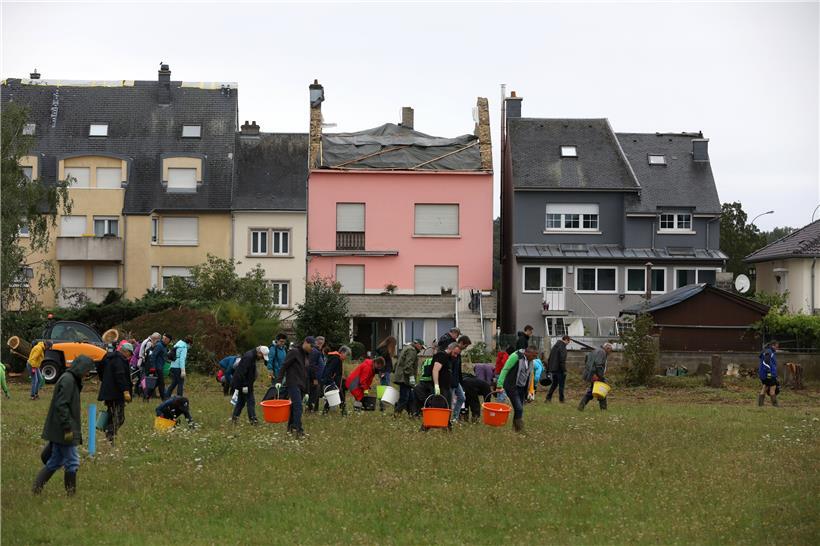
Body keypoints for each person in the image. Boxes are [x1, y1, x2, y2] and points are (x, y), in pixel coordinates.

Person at [32, 355, 94, 496]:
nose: (88, 373)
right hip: (63, 429)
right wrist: (67, 427)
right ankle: (71, 496)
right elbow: (62, 405)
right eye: (87, 370)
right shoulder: (68, 380)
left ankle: (36, 488)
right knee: (72, 462)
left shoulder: (71, 379)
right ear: (81, 368)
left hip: (61, 427)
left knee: (55, 461)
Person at [97, 342, 133, 443]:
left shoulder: (108, 356)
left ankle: (108, 433)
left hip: (108, 392)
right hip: (116, 393)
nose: (129, 357)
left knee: (111, 413)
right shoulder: (119, 360)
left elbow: (99, 368)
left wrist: (105, 380)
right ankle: (110, 434)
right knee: (119, 417)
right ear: (125, 351)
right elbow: (120, 376)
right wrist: (125, 391)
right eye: (130, 354)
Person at [276, 337, 313, 437]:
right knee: (298, 407)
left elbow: (307, 375)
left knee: (294, 408)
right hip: (293, 383)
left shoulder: (307, 356)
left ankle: (290, 428)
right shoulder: (294, 352)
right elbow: (284, 366)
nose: (312, 348)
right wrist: (279, 380)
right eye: (311, 346)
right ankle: (299, 430)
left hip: (301, 385)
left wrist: (307, 392)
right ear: (305, 342)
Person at [497, 345, 537, 432]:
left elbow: (531, 375)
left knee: (519, 409)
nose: (534, 358)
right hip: (512, 386)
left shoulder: (531, 361)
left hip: (522, 387)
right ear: (527, 353)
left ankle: (515, 429)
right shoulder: (515, 356)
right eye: (533, 355)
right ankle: (519, 429)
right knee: (519, 408)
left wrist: (531, 391)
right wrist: (499, 384)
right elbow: (505, 369)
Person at [231, 346, 269, 425]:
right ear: (259, 353)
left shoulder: (252, 356)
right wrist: (244, 385)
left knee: (241, 402)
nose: (262, 358)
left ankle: (234, 419)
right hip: (243, 383)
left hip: (245, 383)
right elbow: (241, 372)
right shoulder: (249, 357)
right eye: (262, 356)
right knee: (251, 401)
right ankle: (253, 421)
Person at [578, 343, 613, 412]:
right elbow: (598, 364)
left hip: (593, 374)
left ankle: (581, 406)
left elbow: (587, 358)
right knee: (602, 390)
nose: (610, 352)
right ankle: (603, 409)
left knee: (591, 392)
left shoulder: (596, 350)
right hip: (596, 375)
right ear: (607, 348)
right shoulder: (602, 352)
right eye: (610, 350)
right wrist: (599, 376)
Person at [393, 339, 425, 416]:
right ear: (418, 344)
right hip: (404, 378)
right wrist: (411, 377)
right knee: (404, 398)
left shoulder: (407, 348)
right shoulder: (412, 350)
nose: (421, 349)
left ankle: (412, 414)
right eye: (421, 347)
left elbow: (397, 363)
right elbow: (408, 366)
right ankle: (396, 414)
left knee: (411, 398)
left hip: (402, 376)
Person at [321, 345, 351, 415]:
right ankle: (344, 413)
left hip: (336, 382)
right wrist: (331, 382)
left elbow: (337, 371)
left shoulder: (337, 359)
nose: (346, 358)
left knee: (332, 397)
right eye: (346, 355)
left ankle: (325, 412)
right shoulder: (336, 359)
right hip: (333, 382)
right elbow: (329, 371)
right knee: (341, 397)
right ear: (342, 352)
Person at [450, 335, 472, 422]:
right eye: (465, 346)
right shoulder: (453, 351)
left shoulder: (458, 354)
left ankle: (455, 418)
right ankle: (448, 419)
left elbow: (458, 369)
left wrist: (460, 381)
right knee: (450, 401)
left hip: (457, 381)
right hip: (451, 381)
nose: (465, 348)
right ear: (461, 343)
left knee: (462, 398)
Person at [546, 335, 570, 403]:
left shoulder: (554, 347)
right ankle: (561, 400)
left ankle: (548, 398)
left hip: (553, 369)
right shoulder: (563, 348)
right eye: (568, 341)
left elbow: (549, 358)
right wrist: (564, 370)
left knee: (554, 384)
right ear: (566, 340)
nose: (568, 343)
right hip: (560, 370)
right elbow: (562, 360)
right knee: (561, 385)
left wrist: (549, 369)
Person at [375, 336, 397, 411]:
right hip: (384, 371)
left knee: (383, 387)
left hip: (384, 371)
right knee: (384, 387)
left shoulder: (383, 349)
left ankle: (382, 405)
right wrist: (382, 372)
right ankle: (382, 405)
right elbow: (382, 362)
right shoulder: (384, 351)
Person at [307, 336, 326, 412]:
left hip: (319, 378)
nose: (320, 344)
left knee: (317, 394)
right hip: (314, 378)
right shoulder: (314, 351)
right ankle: (311, 409)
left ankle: (314, 409)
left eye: (321, 343)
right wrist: (314, 378)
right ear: (315, 342)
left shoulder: (319, 352)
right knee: (313, 394)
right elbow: (312, 365)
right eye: (318, 343)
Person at [758, 340, 780, 407]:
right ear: (772, 345)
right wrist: (768, 372)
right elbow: (766, 362)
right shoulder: (769, 352)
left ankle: (760, 405)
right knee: (773, 388)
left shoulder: (766, 351)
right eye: (776, 346)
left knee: (765, 387)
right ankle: (775, 405)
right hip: (769, 373)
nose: (777, 348)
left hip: (763, 374)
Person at [149, 334, 170, 401]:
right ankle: (163, 398)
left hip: (160, 366)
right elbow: (153, 356)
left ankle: (146, 395)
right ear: (165, 339)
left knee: (156, 383)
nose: (167, 342)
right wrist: (152, 367)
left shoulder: (164, 346)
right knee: (161, 383)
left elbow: (164, 356)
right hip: (157, 367)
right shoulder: (159, 345)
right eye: (166, 340)